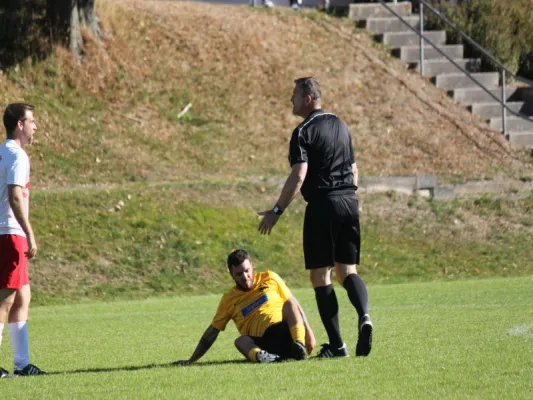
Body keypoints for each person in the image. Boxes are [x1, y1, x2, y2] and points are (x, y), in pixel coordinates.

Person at [258, 77, 373, 358]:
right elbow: (354, 170)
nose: (291, 100)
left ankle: (338, 346)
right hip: (349, 201)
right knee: (348, 271)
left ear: (308, 98)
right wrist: (348, 194)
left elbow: (299, 175)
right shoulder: (342, 126)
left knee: (320, 276)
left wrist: (276, 211)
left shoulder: (303, 132)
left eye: (294, 95)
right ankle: (365, 316)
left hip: (323, 206)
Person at [175, 249, 316, 364]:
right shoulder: (229, 300)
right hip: (263, 343)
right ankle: (264, 358)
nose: (245, 276)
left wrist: (308, 331)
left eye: (247, 270)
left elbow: (294, 305)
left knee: (289, 303)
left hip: (286, 332)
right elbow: (212, 332)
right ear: (231, 274)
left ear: (252, 266)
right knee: (240, 341)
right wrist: (191, 360)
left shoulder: (270, 277)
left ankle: (298, 345)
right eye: (239, 273)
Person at [0, 103, 45, 377]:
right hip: (10, 232)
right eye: (32, 121)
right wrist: (29, 232)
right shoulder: (17, 155)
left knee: (22, 296)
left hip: (5, 232)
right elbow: (15, 195)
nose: (35, 126)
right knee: (5, 299)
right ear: (20, 125)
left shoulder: (3, 151)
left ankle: (22, 364)